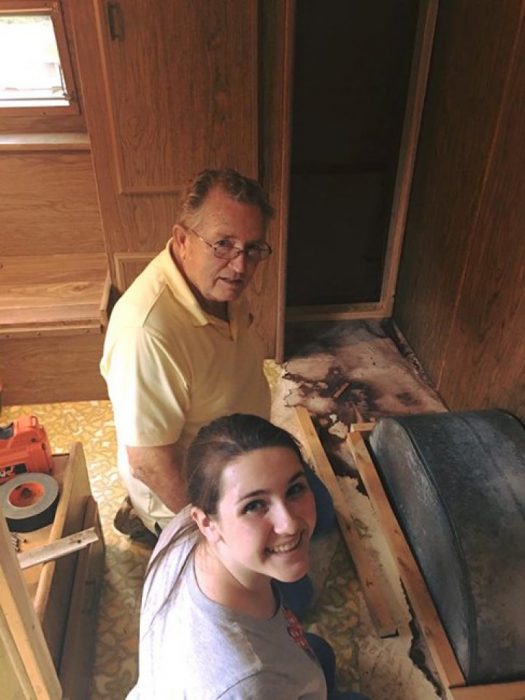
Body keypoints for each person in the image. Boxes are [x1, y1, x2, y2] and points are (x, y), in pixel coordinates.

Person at [100, 168, 333, 542]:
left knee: (320, 518)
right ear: (182, 239)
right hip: (196, 491)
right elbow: (149, 462)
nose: (241, 266)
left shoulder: (214, 284)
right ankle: (155, 526)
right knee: (289, 583)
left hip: (238, 457)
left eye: (252, 248)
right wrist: (215, 533)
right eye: (222, 244)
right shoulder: (145, 332)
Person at [128, 413, 368, 700]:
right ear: (206, 522)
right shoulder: (246, 682)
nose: (289, 523)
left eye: (294, 489)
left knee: (320, 654)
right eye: (254, 505)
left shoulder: (186, 526)